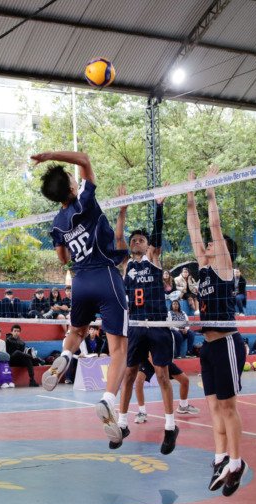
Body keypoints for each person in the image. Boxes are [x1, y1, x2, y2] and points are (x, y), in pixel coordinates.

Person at [32, 150, 129, 447]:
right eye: (71, 178)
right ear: (72, 187)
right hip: (106, 275)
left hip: (80, 281)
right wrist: (50, 155)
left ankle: (64, 357)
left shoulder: (57, 223)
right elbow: (85, 158)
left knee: (77, 331)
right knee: (119, 349)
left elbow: (63, 258)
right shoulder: (85, 199)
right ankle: (108, 399)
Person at [186, 167, 247, 497]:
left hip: (226, 342)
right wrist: (189, 193)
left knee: (227, 407)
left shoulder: (223, 267)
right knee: (213, 408)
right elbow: (194, 229)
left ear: (223, 251)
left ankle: (236, 463)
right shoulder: (204, 269)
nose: (207, 244)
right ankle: (220, 458)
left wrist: (209, 190)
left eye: (213, 244)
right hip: (208, 346)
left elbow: (213, 226)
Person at [113, 184, 179, 453]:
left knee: (162, 375)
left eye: (141, 240)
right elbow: (118, 236)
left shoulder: (152, 258)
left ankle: (170, 426)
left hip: (158, 324)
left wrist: (159, 206)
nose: (136, 242)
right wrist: (122, 209)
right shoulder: (126, 264)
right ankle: (122, 423)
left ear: (148, 245)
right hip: (136, 326)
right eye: (134, 240)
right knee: (129, 374)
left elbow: (158, 236)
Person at [131, 357, 200, 424]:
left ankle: (183, 406)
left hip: (162, 359)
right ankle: (142, 412)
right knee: (139, 381)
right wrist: (157, 367)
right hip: (148, 360)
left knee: (185, 380)